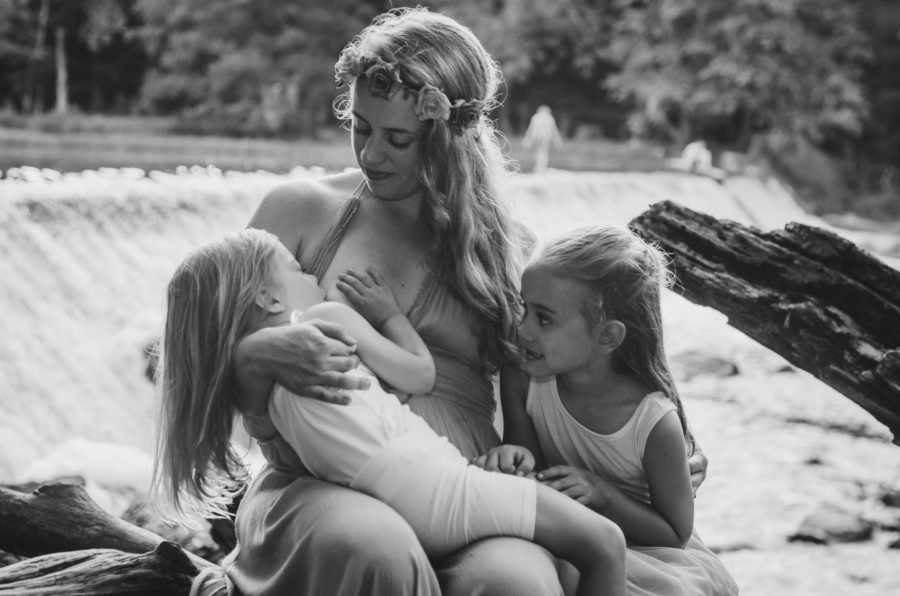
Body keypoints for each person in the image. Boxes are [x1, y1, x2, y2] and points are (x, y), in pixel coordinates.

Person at [219, 7, 708, 595]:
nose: (370, 155)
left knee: (517, 583)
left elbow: (569, 371)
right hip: (318, 473)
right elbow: (201, 353)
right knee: (374, 546)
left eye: (397, 139)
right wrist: (255, 359)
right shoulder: (296, 213)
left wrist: (647, 456)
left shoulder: (508, 251)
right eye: (361, 127)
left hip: (466, 478)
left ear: (451, 138)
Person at [155, 228, 627, 596]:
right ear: (270, 299)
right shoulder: (327, 321)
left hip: (403, 502)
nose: (314, 279)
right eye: (298, 270)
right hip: (445, 490)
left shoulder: (264, 392)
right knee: (604, 544)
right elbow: (420, 376)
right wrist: (387, 315)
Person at [476, 225, 739, 596]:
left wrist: (601, 494)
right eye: (525, 309)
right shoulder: (522, 376)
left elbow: (675, 533)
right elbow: (529, 468)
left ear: (608, 337)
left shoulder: (652, 420)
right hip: (564, 530)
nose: (523, 330)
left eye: (544, 318)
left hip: (647, 556)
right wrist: (511, 459)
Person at [523, 104, 563, 173]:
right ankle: (542, 167)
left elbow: (531, 129)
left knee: (538, 152)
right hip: (545, 137)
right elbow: (554, 130)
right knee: (543, 152)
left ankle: (538, 167)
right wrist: (558, 141)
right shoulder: (549, 117)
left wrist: (527, 139)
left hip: (537, 137)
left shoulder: (535, 117)